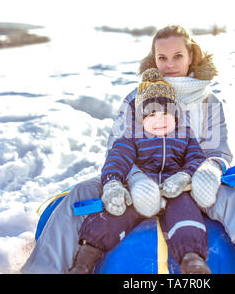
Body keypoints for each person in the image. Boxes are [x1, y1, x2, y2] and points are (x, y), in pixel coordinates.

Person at [22, 25, 235, 274]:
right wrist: (132, 179)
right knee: (80, 195)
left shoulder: (208, 102)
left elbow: (219, 152)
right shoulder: (135, 99)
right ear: (153, 59)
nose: (170, 65)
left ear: (191, 55)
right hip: (137, 181)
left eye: (177, 56)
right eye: (162, 58)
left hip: (191, 183)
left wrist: (210, 171)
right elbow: (118, 147)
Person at [68, 68, 211, 274]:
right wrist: (113, 183)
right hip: (141, 190)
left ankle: (192, 260)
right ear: (141, 117)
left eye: (166, 113)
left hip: (174, 190)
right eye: (152, 113)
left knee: (186, 212)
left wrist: (184, 175)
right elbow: (116, 159)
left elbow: (197, 158)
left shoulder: (185, 135)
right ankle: (85, 261)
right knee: (115, 212)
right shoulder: (133, 136)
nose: (160, 119)